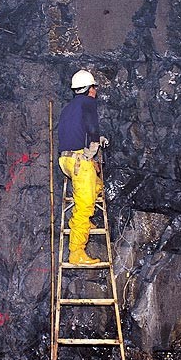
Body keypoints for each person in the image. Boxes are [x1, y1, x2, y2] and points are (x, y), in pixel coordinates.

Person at [57, 69, 110, 265]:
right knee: (84, 207)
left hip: (66, 160)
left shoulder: (68, 108)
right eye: (94, 87)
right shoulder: (88, 103)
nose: (95, 91)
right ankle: (77, 252)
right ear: (89, 89)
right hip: (79, 161)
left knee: (96, 186)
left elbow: (75, 132)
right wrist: (91, 152)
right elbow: (92, 130)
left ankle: (83, 223)